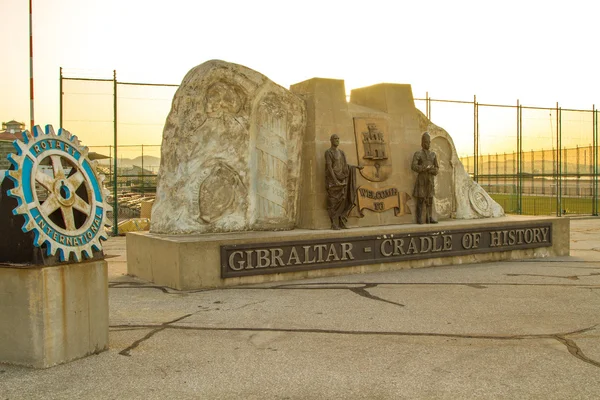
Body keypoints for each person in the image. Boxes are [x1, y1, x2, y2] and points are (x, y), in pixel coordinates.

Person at [325, 134, 362, 230]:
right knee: (333, 201)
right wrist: (335, 180)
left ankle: (341, 221)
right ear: (331, 140)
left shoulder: (341, 153)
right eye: (335, 139)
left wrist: (356, 167)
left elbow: (345, 165)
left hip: (342, 179)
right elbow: (329, 167)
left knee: (344, 200)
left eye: (338, 139)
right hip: (333, 181)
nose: (337, 140)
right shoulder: (328, 152)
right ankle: (333, 223)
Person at [411, 132, 439, 224]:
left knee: (430, 199)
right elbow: (413, 166)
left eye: (429, 142)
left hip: (430, 179)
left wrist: (432, 170)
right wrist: (423, 168)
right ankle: (419, 218)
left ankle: (429, 217)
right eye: (426, 142)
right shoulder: (418, 154)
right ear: (422, 143)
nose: (428, 144)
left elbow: (437, 168)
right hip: (422, 179)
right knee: (421, 199)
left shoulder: (433, 155)